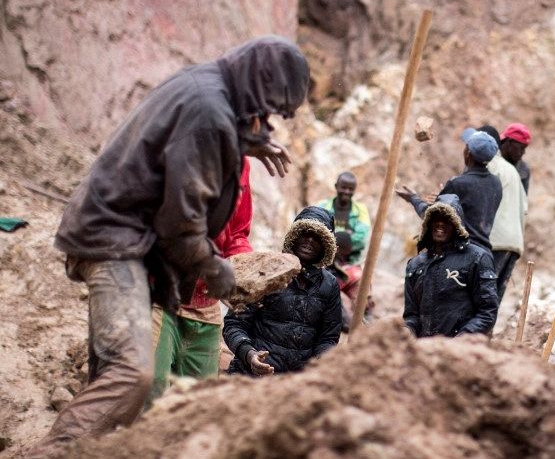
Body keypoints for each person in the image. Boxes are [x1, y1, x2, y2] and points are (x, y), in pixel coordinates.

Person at [35, 36, 308, 453]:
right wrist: (219, 272)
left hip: (124, 239)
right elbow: (181, 225)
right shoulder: (208, 112)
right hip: (115, 241)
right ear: (259, 85)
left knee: (115, 378)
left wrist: (243, 142)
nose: (267, 119)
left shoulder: (209, 89)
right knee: (133, 373)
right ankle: (56, 452)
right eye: (269, 108)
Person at [147, 157, 253, 406]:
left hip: (206, 304)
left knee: (199, 402)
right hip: (162, 295)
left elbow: (238, 231)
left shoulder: (242, 163)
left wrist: (242, 268)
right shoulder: (184, 147)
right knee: (149, 386)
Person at [223, 206, 345, 376]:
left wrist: (321, 364)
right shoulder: (266, 269)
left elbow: (328, 338)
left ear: (326, 245)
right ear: (294, 236)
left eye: (317, 237)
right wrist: (249, 355)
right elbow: (234, 324)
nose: (309, 240)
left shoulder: (329, 285)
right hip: (250, 376)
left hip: (293, 386)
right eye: (305, 233)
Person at [403, 194, 499, 337]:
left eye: (447, 219)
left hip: (460, 352)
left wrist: (459, 342)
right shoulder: (415, 265)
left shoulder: (477, 259)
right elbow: (412, 316)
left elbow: (487, 312)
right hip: (423, 352)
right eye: (435, 218)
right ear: (428, 223)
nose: (440, 223)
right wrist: (407, 332)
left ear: (457, 225)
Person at [396, 130, 501, 252]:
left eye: (466, 147)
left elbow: (430, 215)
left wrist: (413, 198)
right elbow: (473, 211)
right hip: (483, 253)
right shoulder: (496, 184)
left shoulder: (458, 184)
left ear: (468, 153)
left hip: (459, 253)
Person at [472, 126, 528, 302]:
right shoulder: (514, 171)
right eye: (522, 148)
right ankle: (486, 330)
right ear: (507, 143)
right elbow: (524, 208)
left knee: (479, 299)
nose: (523, 154)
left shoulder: (488, 166)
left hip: (494, 242)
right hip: (514, 243)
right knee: (492, 300)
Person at [316, 172, 371, 263]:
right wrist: (346, 236)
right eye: (343, 187)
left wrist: (329, 237)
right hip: (321, 258)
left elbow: (361, 240)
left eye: (351, 189)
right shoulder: (322, 206)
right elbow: (316, 232)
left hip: (349, 262)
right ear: (336, 186)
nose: (347, 192)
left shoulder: (361, 209)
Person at [328, 231, 374, 317]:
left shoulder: (348, 271)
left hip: (356, 316)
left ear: (337, 249)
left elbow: (329, 289)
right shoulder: (354, 266)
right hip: (364, 311)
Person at [500, 123, 532, 194]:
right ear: (509, 142)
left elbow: (523, 201)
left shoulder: (523, 170)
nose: (523, 152)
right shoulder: (490, 160)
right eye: (521, 148)